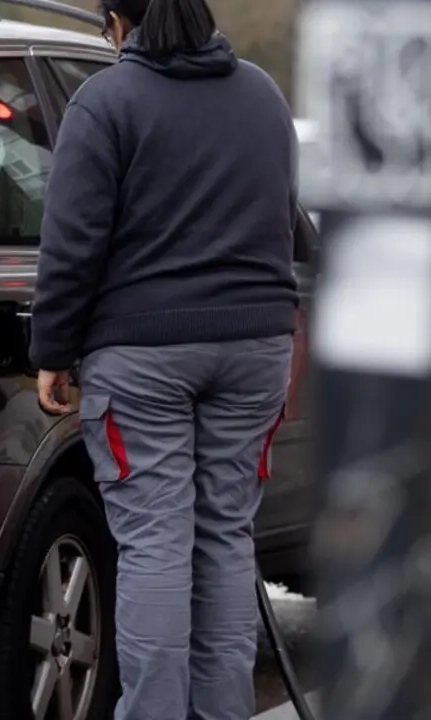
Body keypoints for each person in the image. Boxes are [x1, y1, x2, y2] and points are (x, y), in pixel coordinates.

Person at [29, 0, 298, 716]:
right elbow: (291, 225)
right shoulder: (263, 95)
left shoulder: (106, 102)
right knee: (223, 539)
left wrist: (52, 349)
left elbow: (73, 243)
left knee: (154, 544)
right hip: (256, 350)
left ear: (119, 20)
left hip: (143, 354)